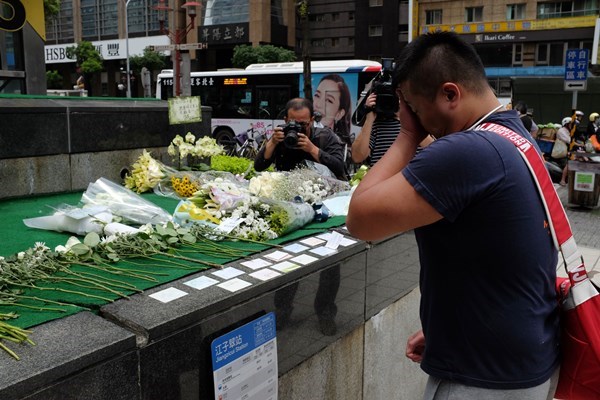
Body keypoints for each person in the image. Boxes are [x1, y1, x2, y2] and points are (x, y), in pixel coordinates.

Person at [346, 31, 560, 400]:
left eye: (413, 106)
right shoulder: (513, 137)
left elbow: (361, 219)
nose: (413, 117)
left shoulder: (468, 150)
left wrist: (407, 136)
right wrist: (452, 322)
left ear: (449, 94)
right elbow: (503, 251)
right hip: (517, 356)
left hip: (482, 377)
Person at [254, 97, 346, 180]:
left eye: (302, 124)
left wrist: (312, 149)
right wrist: (272, 143)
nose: (297, 129)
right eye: (292, 124)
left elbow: (339, 168)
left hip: (320, 190)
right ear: (285, 120)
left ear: (311, 121)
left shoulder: (324, 136)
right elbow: (258, 166)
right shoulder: (282, 134)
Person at [351, 91, 401, 167]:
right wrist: (369, 117)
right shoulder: (375, 124)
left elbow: (425, 147)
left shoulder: (415, 122)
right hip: (381, 177)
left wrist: (404, 115)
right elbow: (357, 157)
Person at [312, 74, 353, 146]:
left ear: (339, 114)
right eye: (317, 95)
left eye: (328, 100)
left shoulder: (339, 146)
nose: (318, 104)